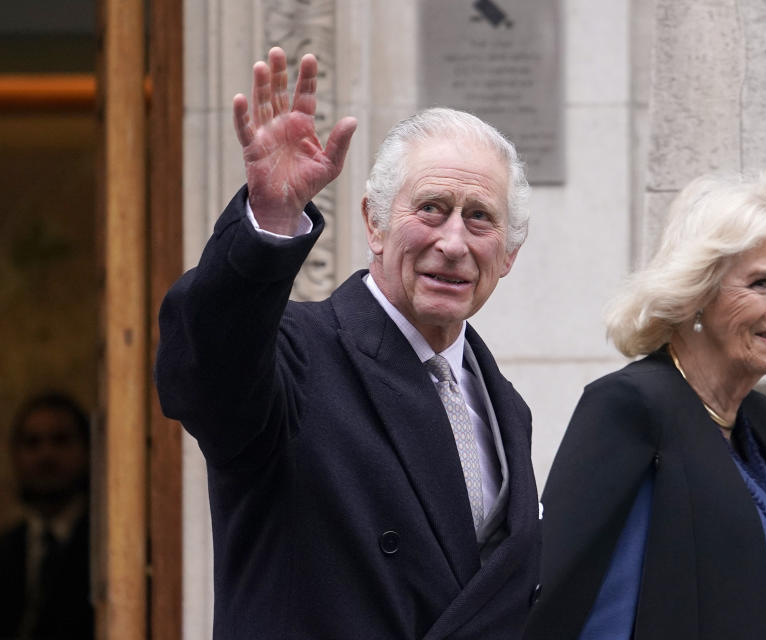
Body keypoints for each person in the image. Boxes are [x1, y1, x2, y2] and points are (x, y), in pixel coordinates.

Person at [155, 47, 540, 639]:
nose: (454, 242)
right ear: (374, 223)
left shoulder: (505, 407)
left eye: (480, 218)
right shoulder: (296, 356)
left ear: (508, 254)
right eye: (431, 209)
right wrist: (270, 223)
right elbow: (203, 370)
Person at [524, 170, 766, 640]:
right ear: (697, 292)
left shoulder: (763, 421)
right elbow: (573, 599)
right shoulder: (630, 406)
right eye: (763, 283)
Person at [0, 392, 94, 640]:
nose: (46, 455)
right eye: (32, 442)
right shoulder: (6, 549)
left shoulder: (109, 551)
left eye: (60, 440)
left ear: (87, 450)